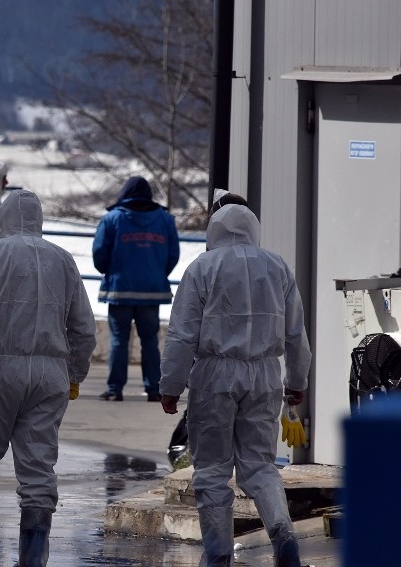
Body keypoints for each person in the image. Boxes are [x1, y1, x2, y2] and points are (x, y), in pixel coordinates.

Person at [158, 192, 311, 567]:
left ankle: (218, 554)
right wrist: (297, 380)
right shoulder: (277, 267)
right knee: (259, 467)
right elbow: (296, 334)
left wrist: (170, 385)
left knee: (211, 470)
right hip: (264, 375)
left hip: (215, 374)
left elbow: (182, 334)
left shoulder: (202, 268)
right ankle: (284, 536)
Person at [0, 189, 97, 567]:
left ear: (3, 217)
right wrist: (75, 372)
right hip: (50, 375)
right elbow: (84, 326)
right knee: (38, 465)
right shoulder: (62, 259)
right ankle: (33, 556)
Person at [92, 176, 179, 402]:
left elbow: (99, 253)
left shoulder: (112, 219)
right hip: (151, 291)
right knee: (150, 340)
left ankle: (114, 389)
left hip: (119, 290)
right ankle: (154, 389)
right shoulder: (165, 220)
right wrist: (156, 273)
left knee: (119, 339)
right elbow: (173, 255)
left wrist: (110, 271)